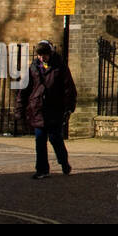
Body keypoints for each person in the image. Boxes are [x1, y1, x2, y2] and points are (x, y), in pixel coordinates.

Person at [17, 41, 77, 179]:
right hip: (37, 109)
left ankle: (63, 162)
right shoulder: (33, 68)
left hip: (54, 109)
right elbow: (24, 90)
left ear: (50, 54)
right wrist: (19, 109)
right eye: (40, 55)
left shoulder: (60, 67)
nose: (42, 58)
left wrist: (69, 108)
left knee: (55, 139)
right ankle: (42, 169)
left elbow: (69, 88)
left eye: (44, 55)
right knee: (39, 140)